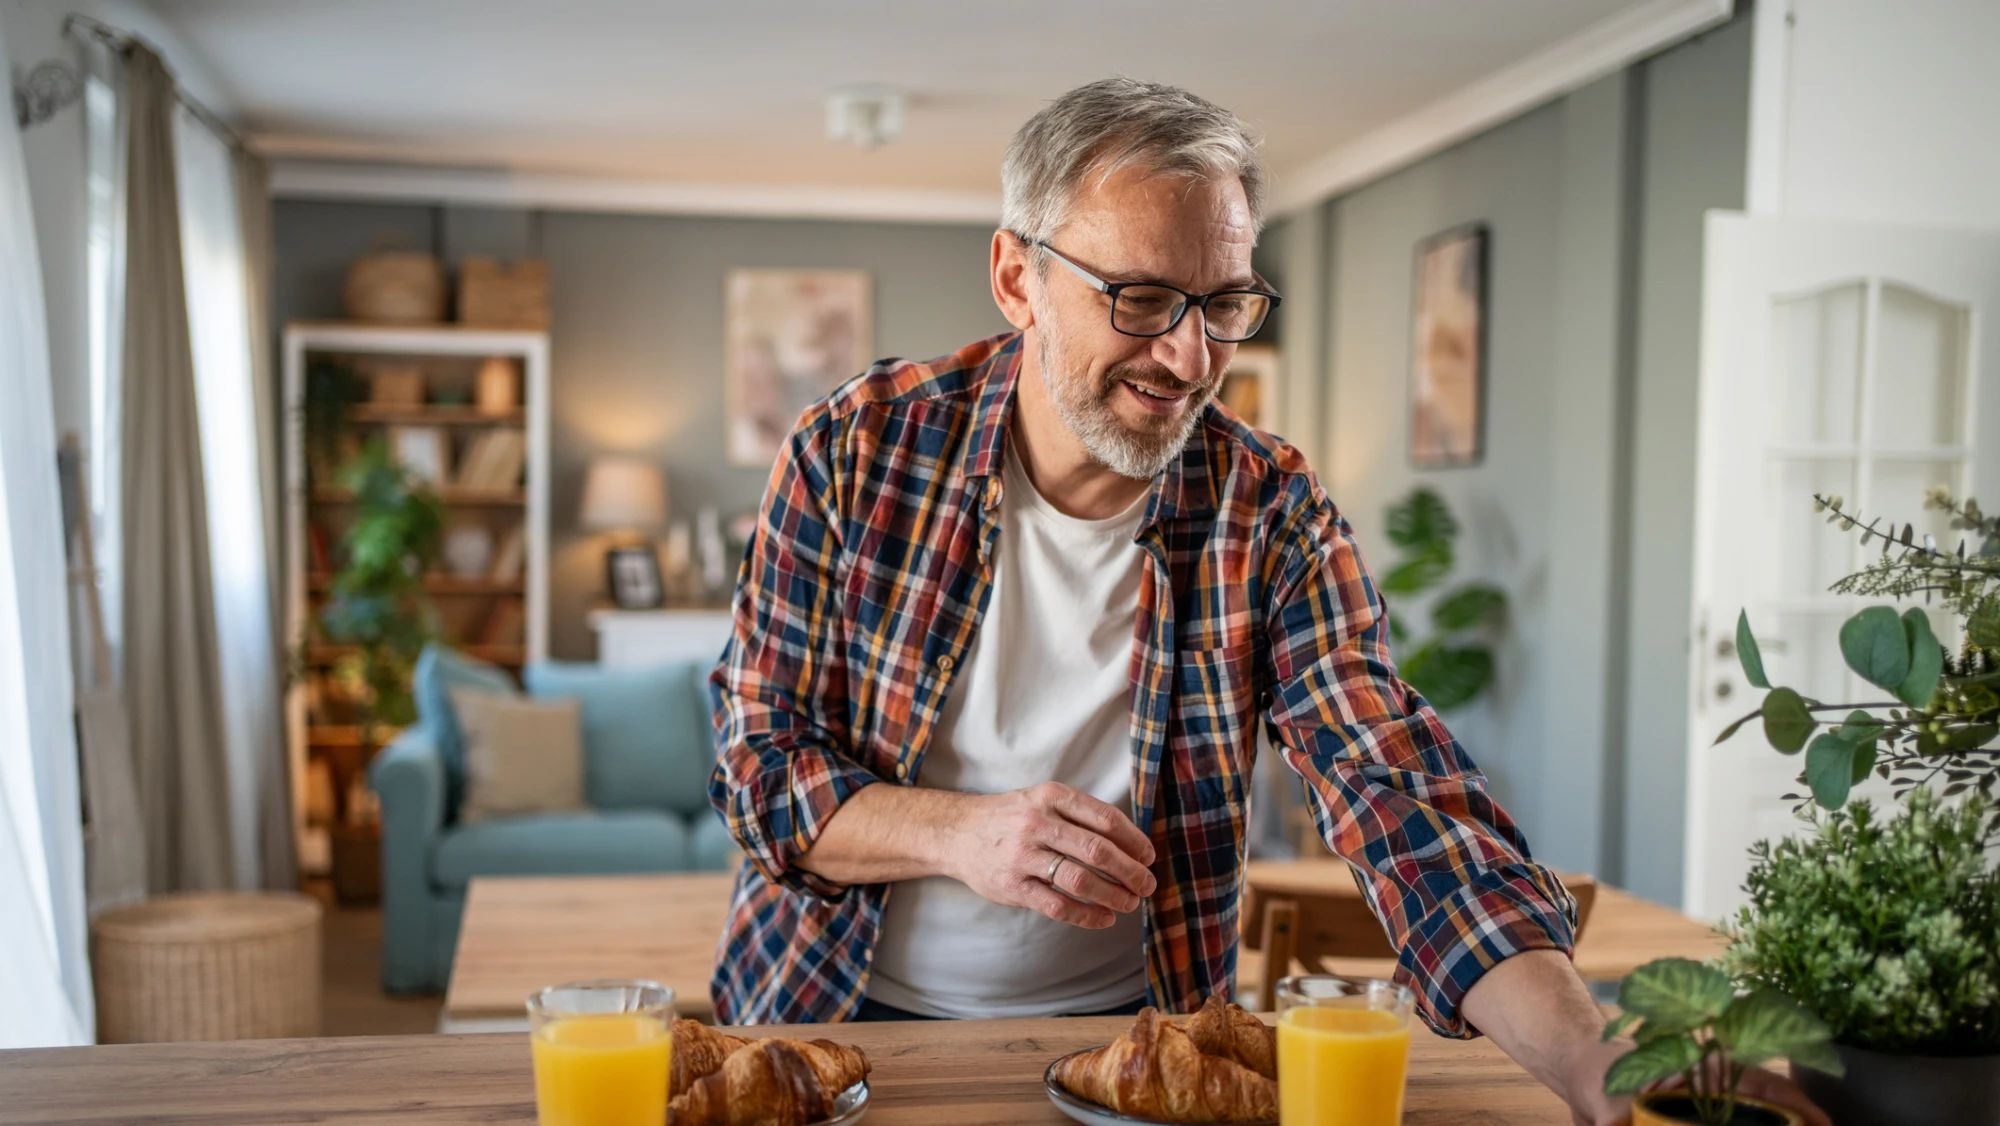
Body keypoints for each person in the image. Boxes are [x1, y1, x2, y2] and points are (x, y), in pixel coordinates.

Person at [708, 77, 1825, 1125]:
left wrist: (1596, 1064)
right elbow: (757, 766)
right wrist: (965, 833)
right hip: (833, 1026)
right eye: (1143, 298)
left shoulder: (1268, 507)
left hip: (1143, 1049)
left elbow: (1396, 792)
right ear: (1017, 279)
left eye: (1225, 303)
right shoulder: (857, 450)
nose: (1190, 356)